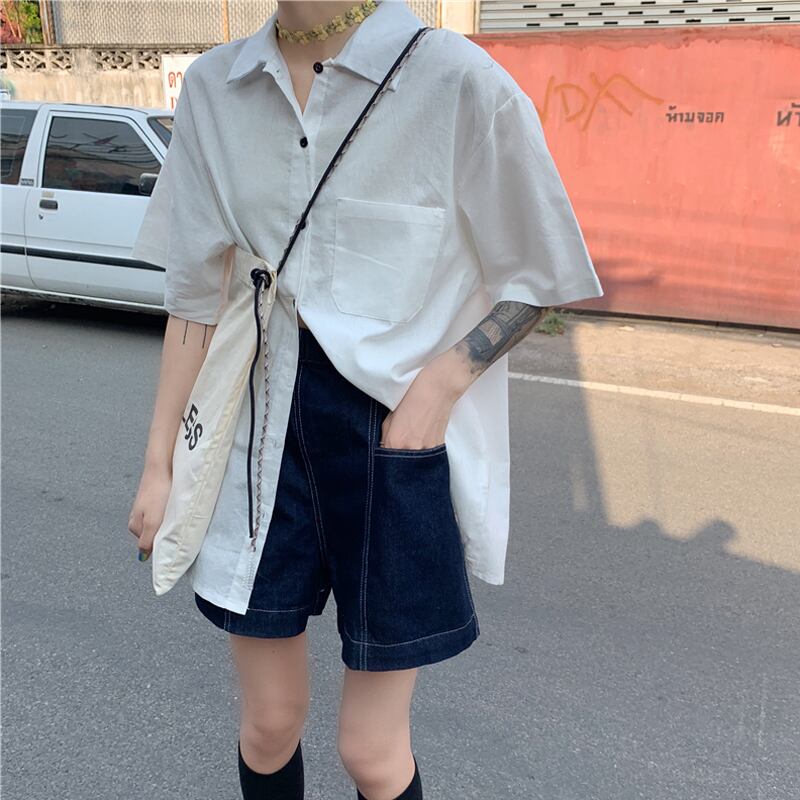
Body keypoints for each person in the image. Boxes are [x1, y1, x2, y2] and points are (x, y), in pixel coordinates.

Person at [127, 1, 604, 798]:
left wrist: (438, 390)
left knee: (371, 751)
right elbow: (195, 297)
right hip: (254, 429)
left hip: (390, 438)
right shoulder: (216, 87)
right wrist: (158, 463)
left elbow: (543, 272)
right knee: (268, 721)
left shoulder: (453, 80)